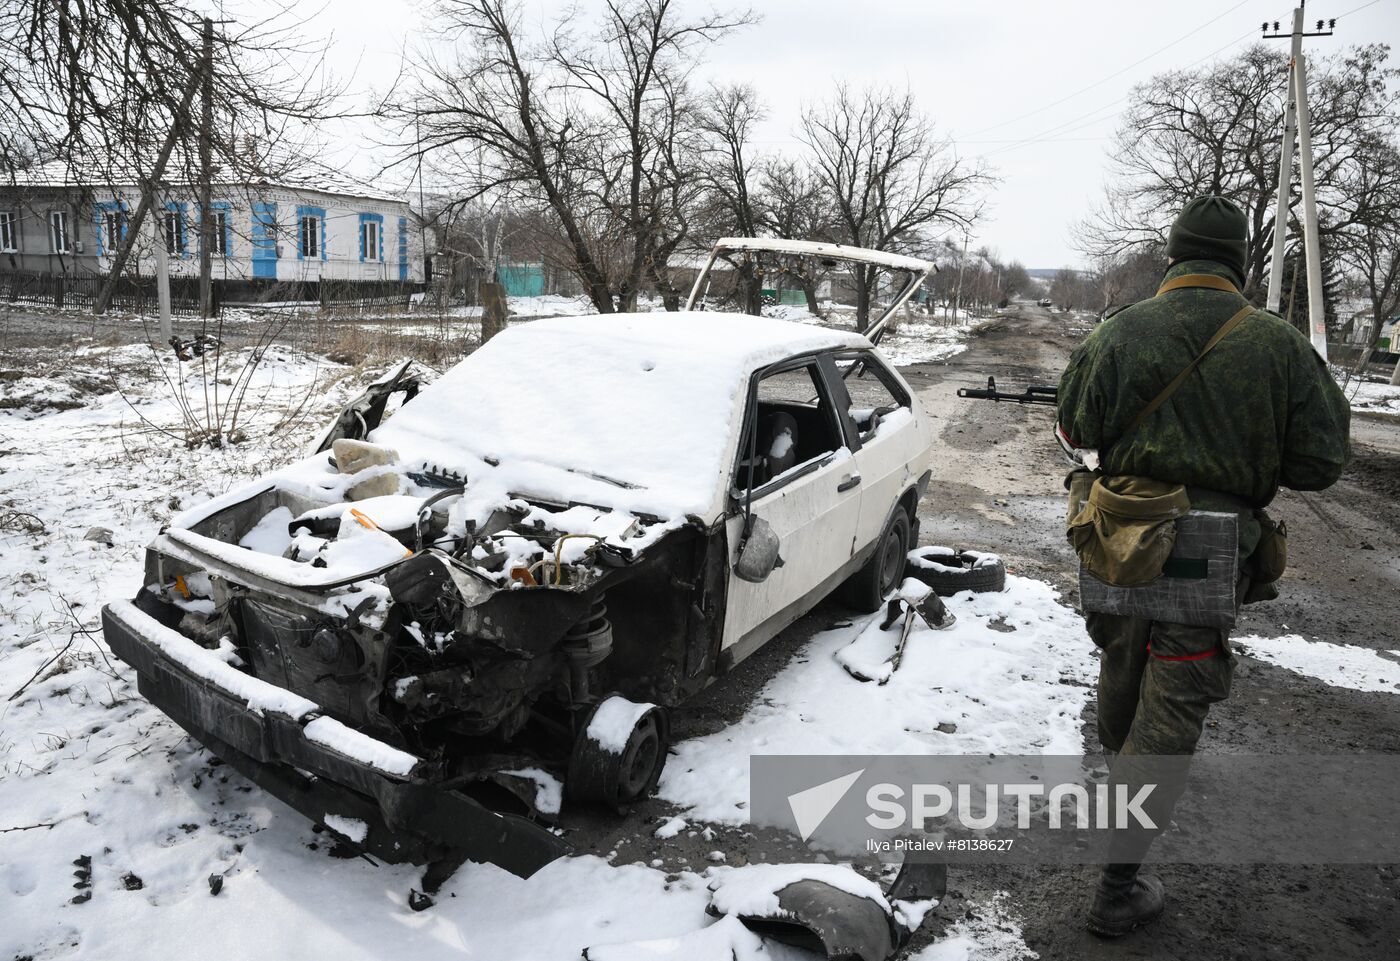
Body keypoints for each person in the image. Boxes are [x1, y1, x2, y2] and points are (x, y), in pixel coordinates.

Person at [1055, 195, 1351, 937]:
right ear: (1241, 263)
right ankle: (1116, 887)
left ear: (1173, 254)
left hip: (1120, 541)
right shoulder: (1280, 345)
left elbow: (1074, 427)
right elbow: (1320, 463)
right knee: (1173, 706)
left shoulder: (1119, 329)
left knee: (1122, 678)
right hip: (1208, 553)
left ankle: (1120, 799)